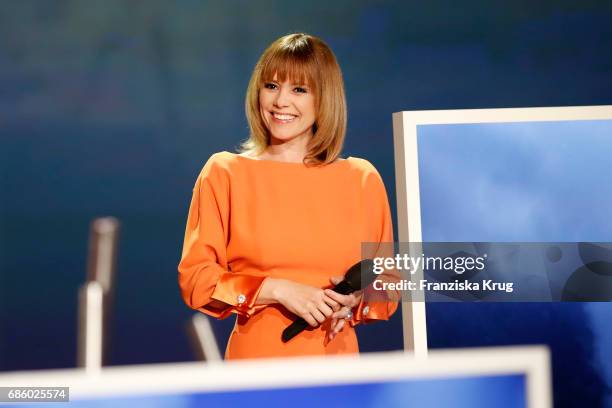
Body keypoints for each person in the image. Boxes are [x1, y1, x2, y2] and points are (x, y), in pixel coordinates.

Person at [178, 33, 397, 360]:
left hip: (338, 369)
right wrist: (275, 289)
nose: (281, 102)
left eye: (299, 90)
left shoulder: (361, 179)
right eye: (271, 86)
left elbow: (389, 281)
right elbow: (197, 281)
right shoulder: (225, 173)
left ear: (323, 100)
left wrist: (356, 303)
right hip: (258, 370)